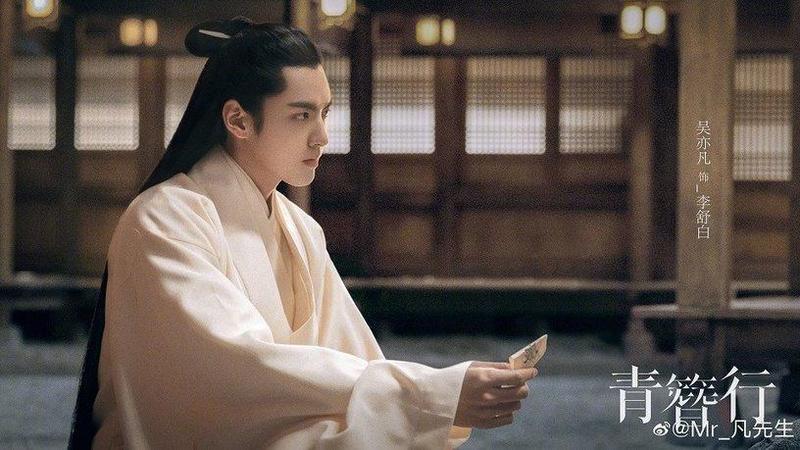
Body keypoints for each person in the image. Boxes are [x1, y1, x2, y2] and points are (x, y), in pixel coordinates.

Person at [68, 17, 537, 449]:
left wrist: (435, 394)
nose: (322, 136)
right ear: (238, 120)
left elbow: (356, 358)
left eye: (324, 113)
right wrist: (428, 393)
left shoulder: (301, 229)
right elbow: (237, 369)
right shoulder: (164, 219)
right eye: (301, 115)